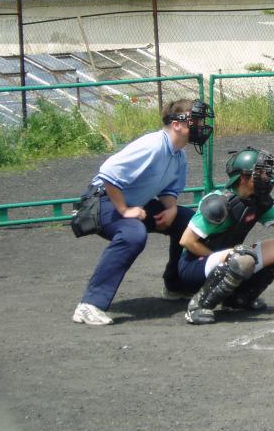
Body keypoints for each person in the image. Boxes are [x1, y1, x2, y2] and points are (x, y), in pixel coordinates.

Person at [71, 99, 214, 325]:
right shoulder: (154, 144)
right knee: (132, 234)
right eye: (195, 120)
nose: (200, 125)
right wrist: (124, 209)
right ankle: (90, 305)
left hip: (136, 202)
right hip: (102, 201)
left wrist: (172, 209)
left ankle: (175, 286)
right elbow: (109, 173)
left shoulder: (178, 155)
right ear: (177, 124)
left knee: (189, 222)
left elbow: (169, 190)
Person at [177, 146, 274, 325]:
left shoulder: (256, 202)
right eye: (261, 173)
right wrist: (223, 259)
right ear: (243, 177)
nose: (267, 177)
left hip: (227, 261)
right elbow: (187, 241)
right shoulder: (219, 203)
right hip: (193, 267)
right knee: (242, 258)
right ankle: (197, 306)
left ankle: (239, 299)